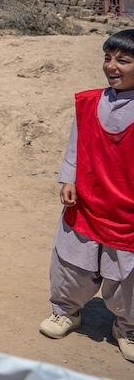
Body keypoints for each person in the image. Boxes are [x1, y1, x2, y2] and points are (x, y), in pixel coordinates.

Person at [39, 29, 134, 363]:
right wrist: (68, 178)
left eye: (123, 60)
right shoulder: (90, 101)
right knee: (71, 262)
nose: (112, 66)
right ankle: (66, 311)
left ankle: (127, 326)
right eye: (108, 58)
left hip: (127, 211)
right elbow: (75, 144)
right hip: (86, 202)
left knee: (127, 273)